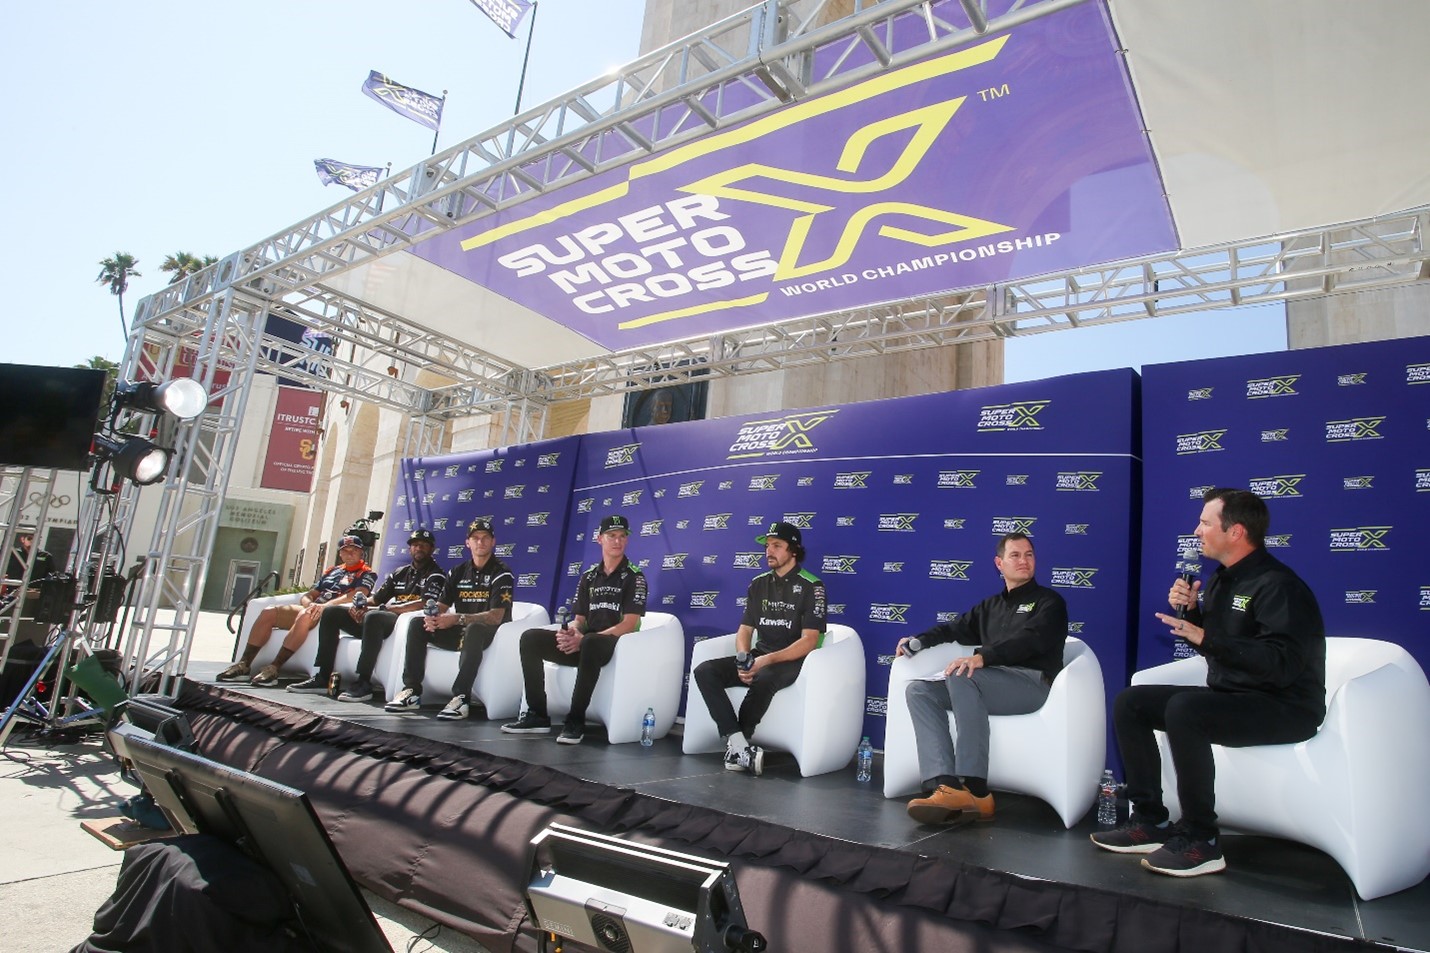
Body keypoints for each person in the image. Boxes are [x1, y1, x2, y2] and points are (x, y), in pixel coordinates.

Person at [1091, 488, 1325, 878]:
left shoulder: (1279, 586)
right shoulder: (1220, 581)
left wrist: (1204, 636)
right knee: (1130, 702)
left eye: (1205, 522)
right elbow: (1224, 648)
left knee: (1186, 709)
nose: (1196, 530)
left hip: (1285, 706)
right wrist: (1193, 616)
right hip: (1235, 696)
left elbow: (1280, 665)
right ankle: (1150, 820)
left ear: (1235, 532)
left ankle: (1203, 839)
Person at [900, 532, 1067, 826]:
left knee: (965, 675)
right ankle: (946, 783)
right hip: (989, 681)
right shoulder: (990, 606)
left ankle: (975, 789)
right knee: (918, 691)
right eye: (1015, 555)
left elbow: (1030, 640)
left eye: (1029, 554)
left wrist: (983, 657)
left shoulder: (1049, 602)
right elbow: (954, 628)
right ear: (998, 564)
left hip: (1031, 684)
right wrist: (917, 642)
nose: (1024, 561)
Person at [692, 521, 826, 776]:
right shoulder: (758, 583)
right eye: (767, 546)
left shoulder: (812, 586)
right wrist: (744, 658)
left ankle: (737, 749)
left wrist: (764, 662)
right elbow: (745, 630)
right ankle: (740, 746)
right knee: (705, 670)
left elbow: (809, 640)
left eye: (777, 545)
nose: (769, 551)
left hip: (794, 660)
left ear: (793, 550)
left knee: (764, 677)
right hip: (759, 655)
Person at [502, 514, 646, 744]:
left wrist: (584, 638)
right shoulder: (589, 576)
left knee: (590, 642)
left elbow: (629, 624)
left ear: (627, 540)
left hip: (616, 645)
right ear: (600, 539)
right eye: (611, 536)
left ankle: (575, 720)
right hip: (587, 644)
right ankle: (537, 715)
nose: (617, 541)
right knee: (531, 638)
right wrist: (572, 632)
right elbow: (580, 619)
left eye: (622, 536)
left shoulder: (634, 577)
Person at [287, 528, 446, 701]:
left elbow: (424, 603)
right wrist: (359, 605)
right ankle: (322, 676)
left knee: (373, 617)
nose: (419, 548)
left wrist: (382, 610)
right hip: (382, 617)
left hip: (401, 622)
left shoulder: (436, 574)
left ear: (431, 549)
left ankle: (363, 682)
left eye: (424, 545)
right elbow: (376, 599)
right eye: (415, 545)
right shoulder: (400, 572)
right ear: (410, 549)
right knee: (332, 612)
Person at [385, 518, 514, 718]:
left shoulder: (502, 573)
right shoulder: (458, 571)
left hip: (491, 635)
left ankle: (461, 698)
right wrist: (432, 616)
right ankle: (411, 692)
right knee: (417, 624)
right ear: (467, 543)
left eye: (485, 538)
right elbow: (442, 605)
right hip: (459, 631)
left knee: (475, 629)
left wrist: (456, 619)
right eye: (475, 538)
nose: (480, 542)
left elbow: (496, 617)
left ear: (493, 542)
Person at [217, 535, 376, 687]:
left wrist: (324, 606)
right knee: (269, 612)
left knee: (304, 615)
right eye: (345, 550)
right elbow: (309, 594)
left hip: (333, 614)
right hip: (312, 609)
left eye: (354, 550)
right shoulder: (332, 571)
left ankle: (274, 668)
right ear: (340, 553)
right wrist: (309, 604)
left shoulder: (367, 573)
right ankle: (244, 664)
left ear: (362, 552)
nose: (350, 554)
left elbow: (358, 594)